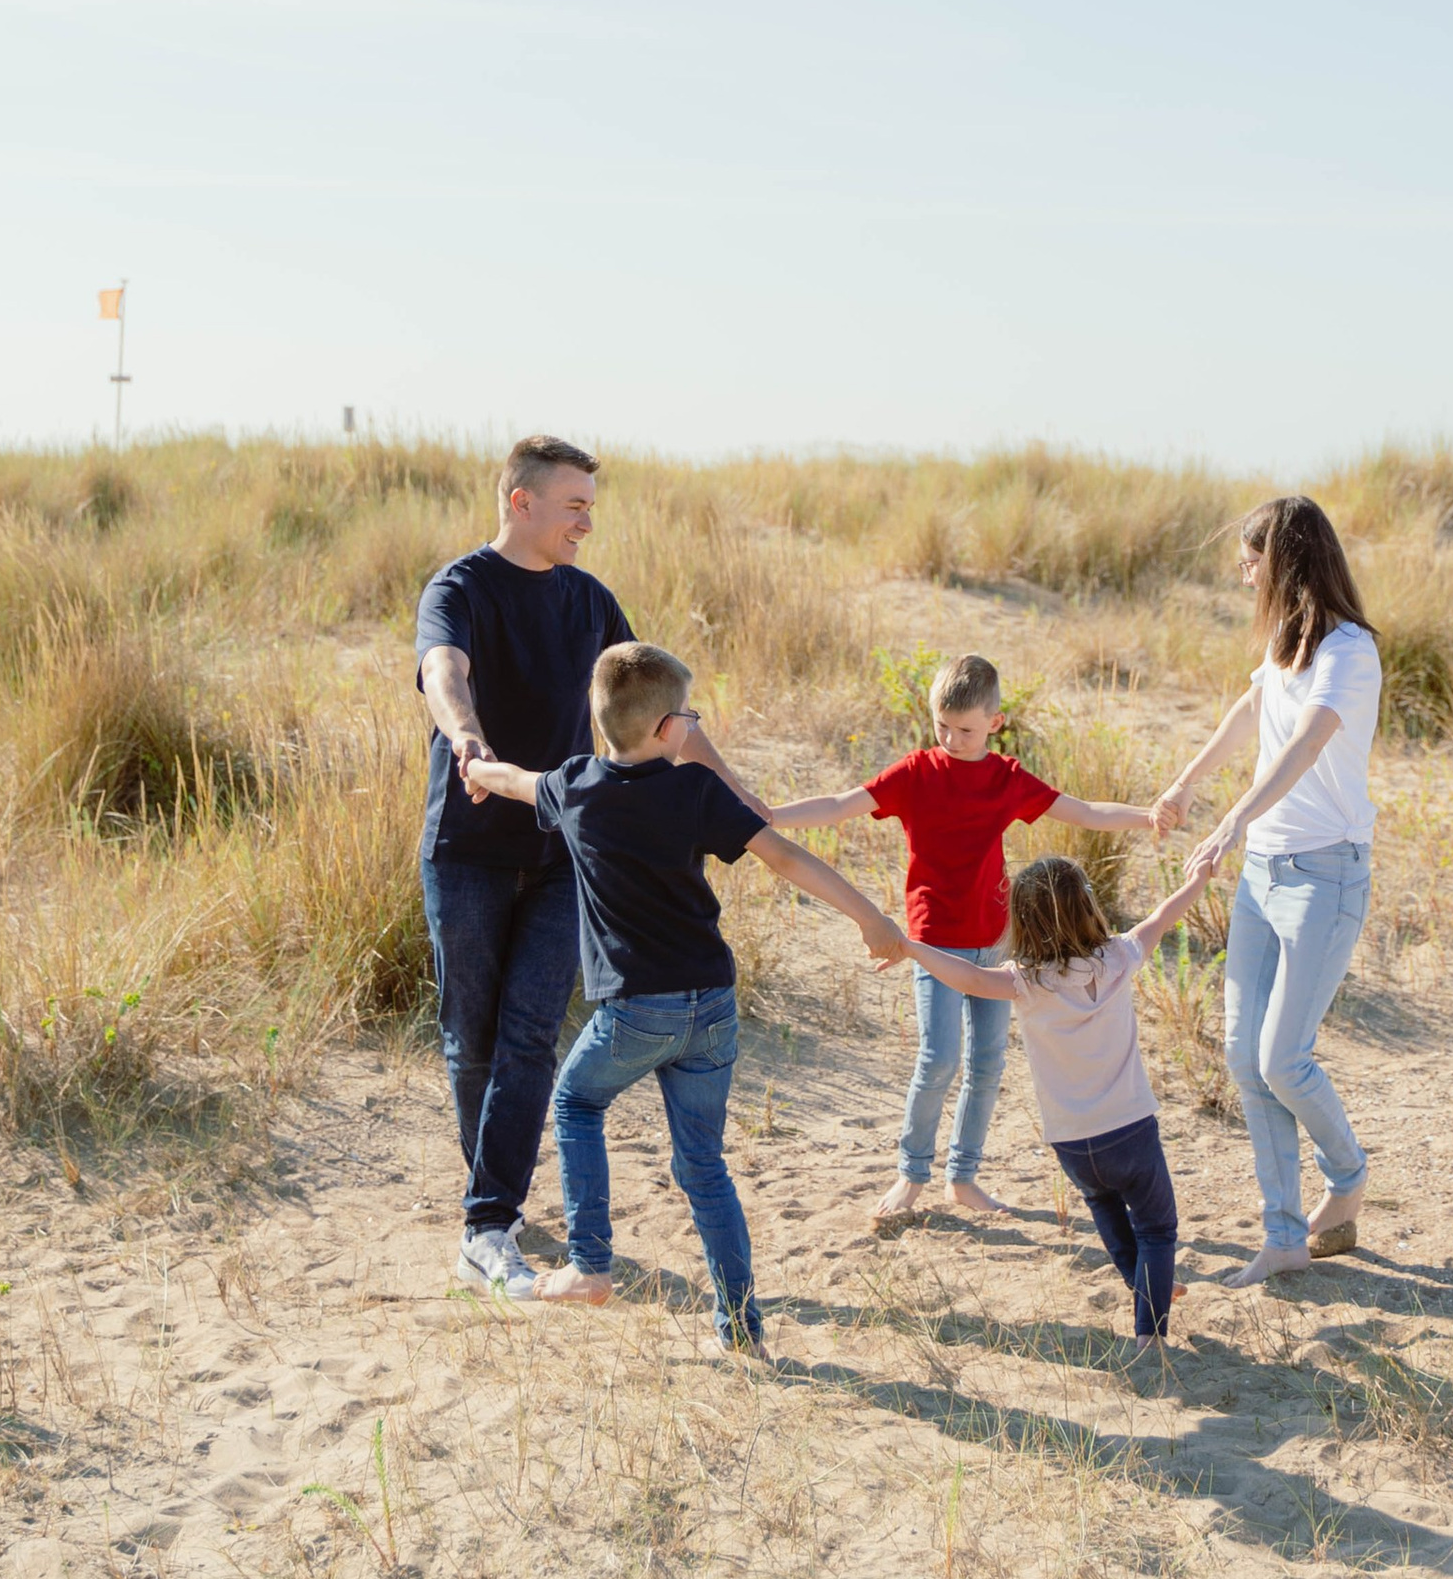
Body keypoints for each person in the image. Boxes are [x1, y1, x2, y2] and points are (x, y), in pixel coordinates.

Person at [466, 639, 905, 1345]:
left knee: (577, 1101)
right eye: (690, 716)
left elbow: (518, 779)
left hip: (637, 1010)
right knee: (703, 1164)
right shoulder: (698, 789)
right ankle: (740, 1324)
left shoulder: (575, 786)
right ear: (670, 729)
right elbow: (785, 856)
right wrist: (872, 918)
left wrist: (477, 768)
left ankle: (590, 1265)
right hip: (712, 1007)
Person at [413, 438, 750, 1296]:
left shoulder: (592, 600)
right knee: (470, 1038)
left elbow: (654, 706)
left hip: (565, 854)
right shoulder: (459, 588)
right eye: (575, 506)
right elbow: (443, 668)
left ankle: (487, 1221)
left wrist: (734, 791)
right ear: (521, 502)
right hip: (467, 847)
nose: (588, 522)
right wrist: (465, 733)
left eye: (592, 506)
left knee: (529, 1031)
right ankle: (499, 1200)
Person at [766, 653, 1162, 1226]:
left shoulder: (1006, 779)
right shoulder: (915, 773)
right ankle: (911, 1172)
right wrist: (768, 814)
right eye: (942, 726)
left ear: (995, 723)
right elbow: (838, 806)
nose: (951, 739)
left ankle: (964, 1177)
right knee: (938, 1059)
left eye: (967, 729)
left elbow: (1084, 811)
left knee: (988, 1063)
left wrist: (1147, 816)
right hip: (933, 943)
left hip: (998, 945)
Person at [1155, 494, 1383, 1287]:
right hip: (1264, 874)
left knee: (1284, 1058)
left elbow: (1303, 752)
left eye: (1253, 563)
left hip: (1326, 872)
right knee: (1244, 1058)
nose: (1246, 577)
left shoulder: (1351, 652)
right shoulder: (1287, 643)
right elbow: (1250, 713)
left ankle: (1347, 1175)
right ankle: (1285, 1235)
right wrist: (1187, 785)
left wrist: (1230, 820)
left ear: (1284, 561)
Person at [887, 853, 1214, 1343]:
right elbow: (1161, 918)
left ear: (1021, 921)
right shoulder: (1119, 957)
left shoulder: (1026, 982)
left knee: (1105, 1207)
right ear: (1088, 906)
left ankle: (1146, 1288)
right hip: (1130, 1130)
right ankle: (1150, 1332)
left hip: (1071, 1143)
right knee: (1156, 1229)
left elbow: (968, 977)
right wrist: (1196, 879)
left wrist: (912, 948)